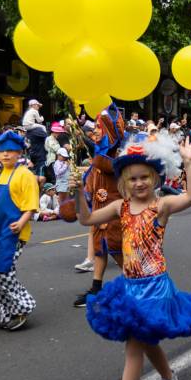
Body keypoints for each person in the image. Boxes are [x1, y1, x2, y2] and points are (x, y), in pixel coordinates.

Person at [74, 132, 191, 380]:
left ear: (155, 177)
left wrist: (189, 163)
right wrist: (78, 194)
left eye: (145, 177)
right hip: (129, 286)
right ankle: (169, 379)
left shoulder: (161, 206)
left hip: (154, 287)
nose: (139, 183)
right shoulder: (120, 207)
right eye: (132, 178)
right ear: (123, 181)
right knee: (146, 341)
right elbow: (86, 220)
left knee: (134, 346)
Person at [0, 131, 40, 330]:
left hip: (14, 232)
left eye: (11, 151)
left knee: (4, 271)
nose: (6, 155)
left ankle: (23, 307)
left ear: (19, 153)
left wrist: (21, 222)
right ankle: (8, 311)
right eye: (2, 151)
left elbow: (31, 205)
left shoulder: (25, 175)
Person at [74, 104, 126, 308]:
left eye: (98, 127)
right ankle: (96, 286)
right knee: (100, 251)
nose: (95, 130)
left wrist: (81, 136)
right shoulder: (99, 159)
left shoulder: (114, 159)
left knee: (117, 250)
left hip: (114, 214)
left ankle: (137, 283)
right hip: (98, 213)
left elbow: (103, 163)